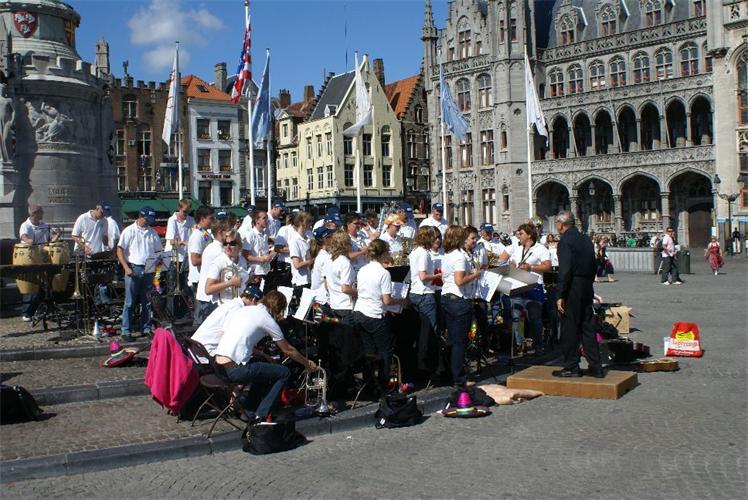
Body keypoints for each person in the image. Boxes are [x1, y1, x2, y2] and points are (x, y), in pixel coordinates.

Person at [214, 291, 317, 422]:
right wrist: (307, 363)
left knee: (263, 365)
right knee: (284, 373)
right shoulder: (266, 319)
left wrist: (264, 355)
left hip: (219, 366)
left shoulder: (244, 310)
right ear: (278, 308)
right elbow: (288, 350)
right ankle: (262, 415)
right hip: (236, 370)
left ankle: (250, 410)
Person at [553, 211, 602, 378]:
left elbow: (565, 270)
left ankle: (571, 366)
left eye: (557, 223)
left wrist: (560, 294)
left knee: (570, 327)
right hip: (586, 285)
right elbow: (594, 264)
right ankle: (596, 365)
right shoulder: (585, 238)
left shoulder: (565, 240)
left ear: (561, 224)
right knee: (587, 326)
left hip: (572, 286)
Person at [353, 239, 405, 392]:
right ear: (383, 254)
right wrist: (402, 301)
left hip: (360, 312)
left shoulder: (362, 269)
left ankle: (369, 385)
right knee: (385, 352)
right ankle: (383, 385)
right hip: (375, 315)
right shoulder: (384, 273)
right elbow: (387, 300)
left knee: (369, 352)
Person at [499, 223, 552, 351]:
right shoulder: (518, 249)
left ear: (529, 235)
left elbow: (547, 266)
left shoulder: (540, 249)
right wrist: (510, 269)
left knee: (534, 318)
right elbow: (512, 263)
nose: (518, 236)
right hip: (518, 286)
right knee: (516, 317)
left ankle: (538, 346)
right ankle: (519, 344)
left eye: (521, 233)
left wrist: (531, 267)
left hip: (534, 286)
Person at [441, 225, 481, 386]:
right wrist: (475, 275)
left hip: (447, 297)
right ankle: (459, 378)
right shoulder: (459, 256)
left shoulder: (447, 255)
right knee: (459, 342)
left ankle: (452, 373)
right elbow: (459, 281)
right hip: (458, 299)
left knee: (452, 340)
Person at [116, 207, 163, 341]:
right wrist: (126, 267)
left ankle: (146, 328)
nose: (148, 222)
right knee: (129, 302)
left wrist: (157, 270)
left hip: (149, 269)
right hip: (134, 267)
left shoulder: (152, 232)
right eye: (147, 219)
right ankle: (126, 330)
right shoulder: (129, 230)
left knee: (147, 301)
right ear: (140, 216)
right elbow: (119, 249)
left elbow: (159, 252)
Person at [191, 284, 264, 356]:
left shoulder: (231, 304)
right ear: (253, 299)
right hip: (206, 351)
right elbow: (228, 336)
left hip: (196, 346)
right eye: (256, 304)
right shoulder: (237, 309)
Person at [409, 227, 442, 373]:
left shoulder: (415, 251)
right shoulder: (423, 253)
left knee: (421, 332)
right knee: (430, 332)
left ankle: (423, 364)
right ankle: (429, 366)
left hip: (416, 293)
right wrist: (438, 276)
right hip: (424, 294)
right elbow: (423, 276)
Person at [18, 205, 58, 321]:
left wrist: (56, 236)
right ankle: (26, 312)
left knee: (45, 284)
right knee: (31, 284)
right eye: (41, 212)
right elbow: (23, 236)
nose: (43, 214)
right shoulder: (25, 225)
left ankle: (43, 309)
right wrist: (28, 240)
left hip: (44, 258)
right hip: (30, 258)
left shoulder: (45, 226)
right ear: (34, 214)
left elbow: (51, 239)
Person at [194, 221, 229, 326]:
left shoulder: (211, 247)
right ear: (220, 232)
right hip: (210, 299)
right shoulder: (219, 251)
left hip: (205, 296)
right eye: (227, 232)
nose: (229, 235)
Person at [164, 199, 194, 317]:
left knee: (184, 288)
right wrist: (184, 242)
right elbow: (171, 240)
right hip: (173, 258)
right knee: (172, 288)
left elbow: (199, 231)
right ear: (179, 208)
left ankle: (183, 314)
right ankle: (170, 315)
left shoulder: (190, 220)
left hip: (185, 258)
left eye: (188, 212)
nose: (186, 214)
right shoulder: (172, 220)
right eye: (184, 212)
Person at [205, 229, 251, 306]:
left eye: (232, 243)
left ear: (239, 245)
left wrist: (250, 279)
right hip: (224, 305)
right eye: (225, 243)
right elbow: (208, 289)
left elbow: (242, 283)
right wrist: (230, 283)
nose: (228, 246)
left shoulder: (242, 260)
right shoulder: (219, 262)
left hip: (240, 304)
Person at [327, 230, 357, 322]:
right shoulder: (344, 262)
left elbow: (326, 284)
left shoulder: (329, 259)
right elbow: (345, 288)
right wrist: (360, 293)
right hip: (345, 307)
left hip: (334, 305)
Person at [242, 209, 276, 284]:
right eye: (264, 218)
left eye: (267, 218)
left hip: (265, 271)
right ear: (257, 220)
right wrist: (261, 259)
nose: (267, 220)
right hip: (255, 274)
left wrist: (270, 255)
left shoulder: (265, 235)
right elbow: (245, 255)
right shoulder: (250, 235)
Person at [187, 206, 214, 291]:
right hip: (198, 280)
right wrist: (214, 258)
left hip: (204, 278)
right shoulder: (197, 235)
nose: (213, 221)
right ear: (202, 219)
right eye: (211, 218)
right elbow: (195, 260)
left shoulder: (205, 233)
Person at [310, 226, 334, 302]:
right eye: (331, 236)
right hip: (323, 299)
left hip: (318, 297)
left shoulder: (322, 254)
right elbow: (327, 283)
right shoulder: (326, 257)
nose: (334, 238)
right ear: (326, 239)